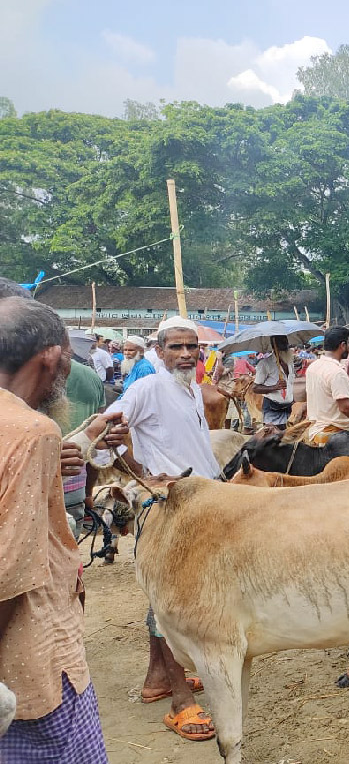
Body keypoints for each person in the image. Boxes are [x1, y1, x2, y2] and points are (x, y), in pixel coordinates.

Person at [0, 297, 124, 762]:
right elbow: (10, 571)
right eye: (69, 356)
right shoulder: (33, 432)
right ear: (51, 357)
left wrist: (77, 445)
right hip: (29, 660)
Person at [84, 315, 218, 742]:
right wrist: (138, 467)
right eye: (175, 347)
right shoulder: (148, 386)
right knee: (172, 601)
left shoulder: (191, 387)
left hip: (198, 500)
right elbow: (99, 429)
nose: (184, 354)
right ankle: (181, 701)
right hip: (167, 506)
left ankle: (157, 679)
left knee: (167, 597)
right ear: (158, 351)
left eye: (190, 346)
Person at [252, 335, 295, 430]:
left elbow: (291, 385)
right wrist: (274, 387)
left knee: (288, 440)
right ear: (274, 345)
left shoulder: (290, 363)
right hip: (272, 408)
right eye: (281, 343)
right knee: (272, 440)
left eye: (286, 342)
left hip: (289, 408)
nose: (285, 345)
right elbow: (255, 388)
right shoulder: (265, 364)